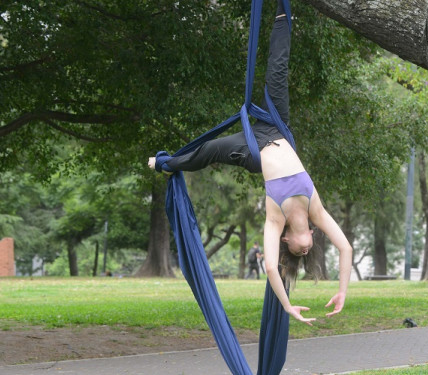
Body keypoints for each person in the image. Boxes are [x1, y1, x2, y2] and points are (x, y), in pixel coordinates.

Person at [149, 1, 352, 326]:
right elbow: (345, 249)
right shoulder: (317, 210)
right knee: (278, 67)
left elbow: (271, 268)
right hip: (277, 126)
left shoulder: (274, 220)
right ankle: (283, 10)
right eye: (308, 251)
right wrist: (343, 290)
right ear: (312, 235)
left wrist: (287, 306)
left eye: (297, 254)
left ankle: (167, 163)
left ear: (287, 240)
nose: (304, 251)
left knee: (209, 151)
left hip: (251, 151)